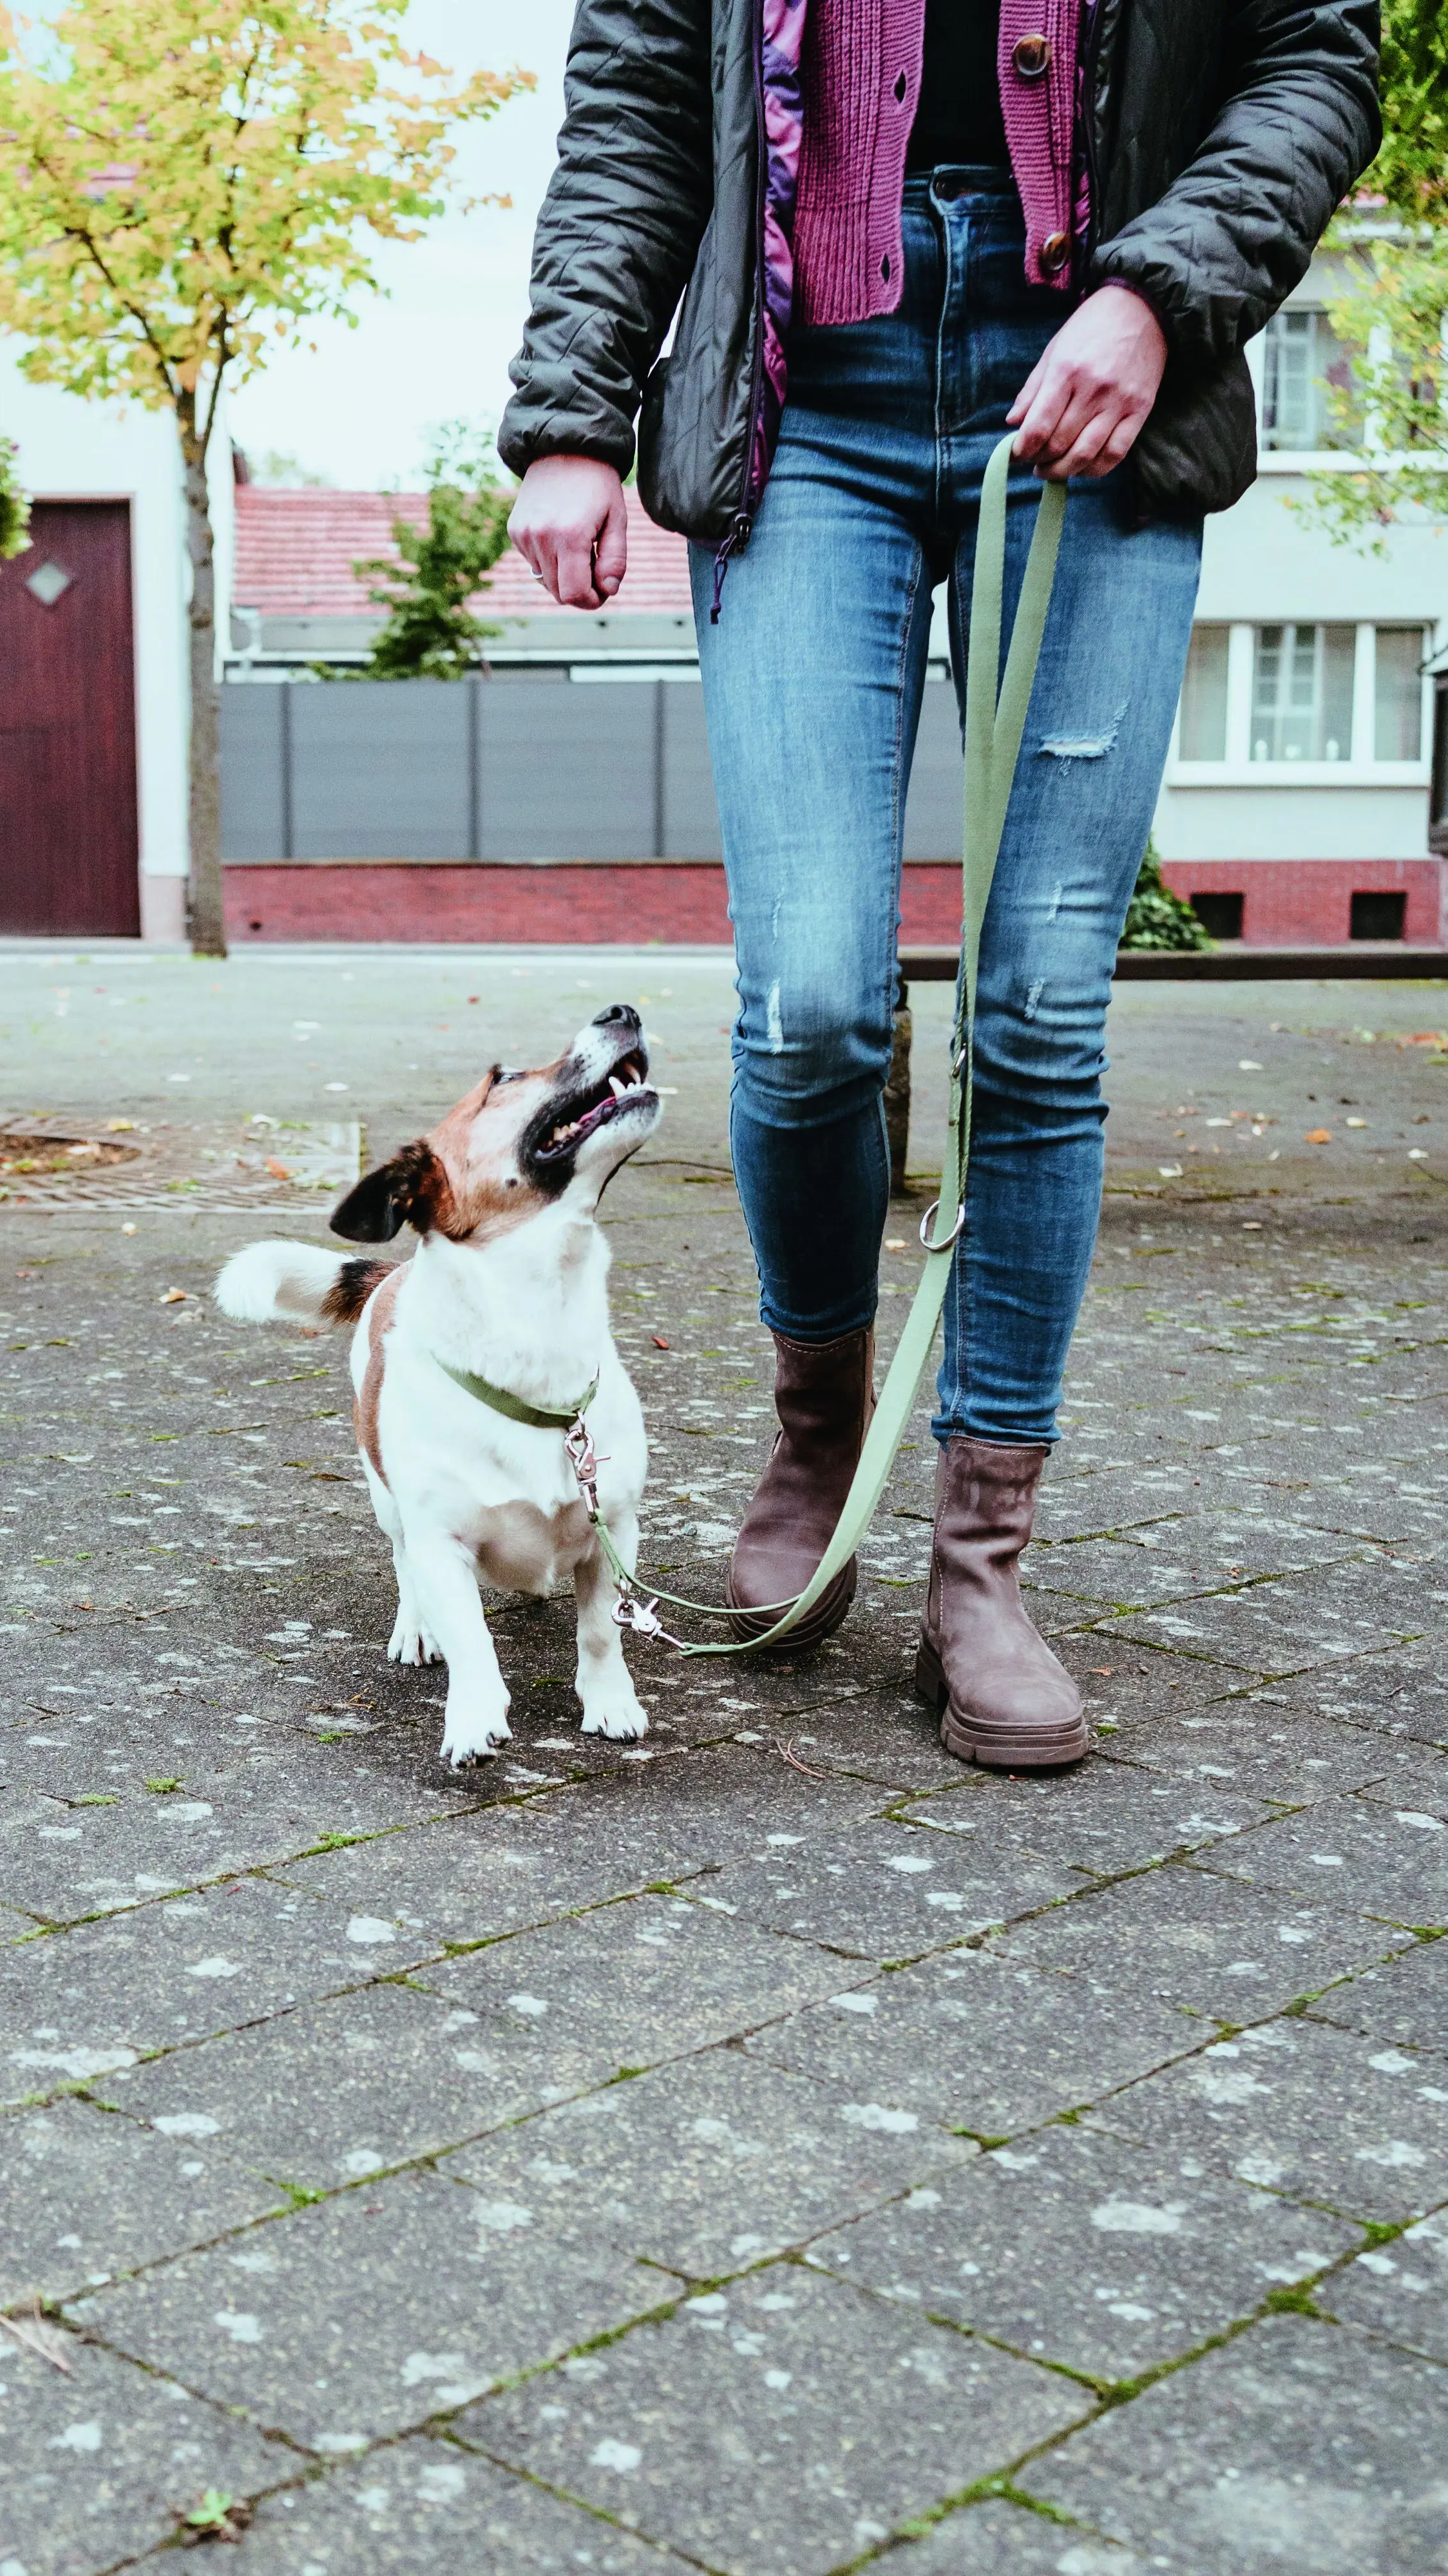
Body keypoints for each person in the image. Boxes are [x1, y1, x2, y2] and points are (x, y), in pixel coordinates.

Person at [500, 0, 1379, 1769]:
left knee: (1042, 1003)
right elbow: (639, 101)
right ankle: (820, 1415)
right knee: (813, 998)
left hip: (1098, 378)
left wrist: (1159, 291)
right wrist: (576, 414)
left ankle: (982, 1558)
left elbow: (1316, 52)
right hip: (804, 389)